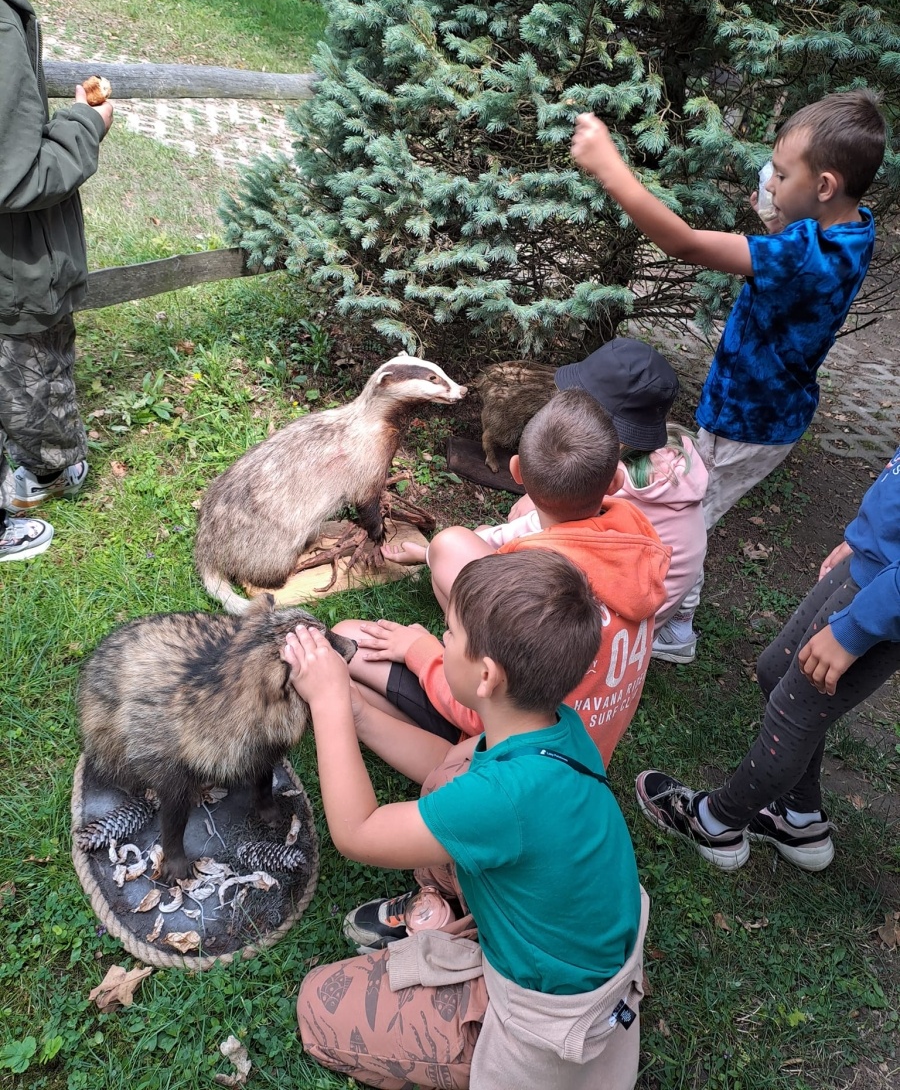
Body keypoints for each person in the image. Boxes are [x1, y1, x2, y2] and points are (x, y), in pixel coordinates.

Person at [285, 549, 649, 1090]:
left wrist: (329, 704)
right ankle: (449, 911)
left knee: (320, 1007)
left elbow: (358, 832)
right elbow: (445, 764)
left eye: (449, 633)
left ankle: (465, 1043)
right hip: (569, 934)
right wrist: (358, 713)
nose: (440, 637)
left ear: (485, 675)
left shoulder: (502, 799)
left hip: (544, 1016)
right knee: (453, 770)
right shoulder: (553, 728)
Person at [571, 91, 887, 660]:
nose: (770, 183)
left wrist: (610, 169)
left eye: (782, 175)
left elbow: (683, 243)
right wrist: (783, 216)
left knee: (682, 516)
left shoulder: (803, 254)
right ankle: (675, 619)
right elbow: (799, 247)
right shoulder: (854, 229)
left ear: (824, 186)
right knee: (693, 504)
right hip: (772, 411)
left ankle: (671, 627)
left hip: (747, 420)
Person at [336, 389, 670, 767]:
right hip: (587, 746)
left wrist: (419, 649)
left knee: (348, 640)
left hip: (520, 756)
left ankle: (425, 747)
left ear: (516, 472)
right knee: (455, 552)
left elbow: (481, 709)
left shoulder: (530, 595)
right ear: (616, 482)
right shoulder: (638, 539)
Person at [635, 443, 900, 873]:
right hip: (876, 563)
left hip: (883, 602)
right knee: (777, 672)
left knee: (794, 713)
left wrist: (857, 627)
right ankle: (799, 817)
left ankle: (716, 822)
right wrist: (866, 537)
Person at [0, 0, 113, 562]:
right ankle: (40, 475)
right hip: (13, 267)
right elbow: (14, 176)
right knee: (30, 372)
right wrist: (85, 125)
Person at [501, 337, 708, 663]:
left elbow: (539, 529)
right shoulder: (671, 456)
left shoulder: (620, 482)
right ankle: (679, 628)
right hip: (653, 602)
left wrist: (535, 498)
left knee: (465, 552)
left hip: (606, 634)